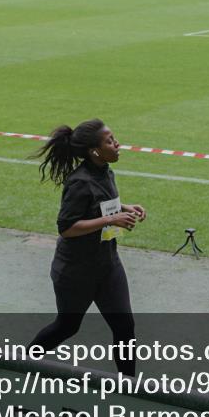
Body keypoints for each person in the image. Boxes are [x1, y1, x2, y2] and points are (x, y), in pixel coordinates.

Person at [29, 119, 145, 375]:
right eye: (110, 141)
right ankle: (22, 365)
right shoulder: (79, 182)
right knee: (67, 326)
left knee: (125, 328)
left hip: (107, 265)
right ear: (94, 151)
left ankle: (128, 389)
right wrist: (111, 219)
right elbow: (67, 227)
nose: (117, 144)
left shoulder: (106, 171)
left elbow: (102, 202)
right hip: (76, 272)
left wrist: (125, 208)